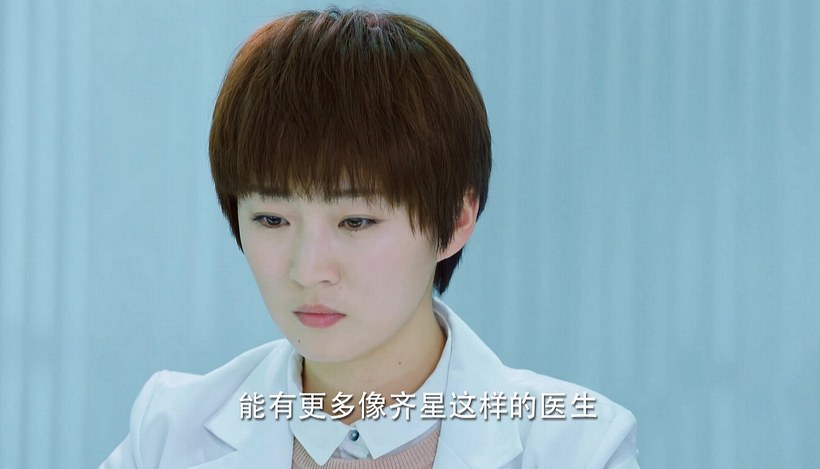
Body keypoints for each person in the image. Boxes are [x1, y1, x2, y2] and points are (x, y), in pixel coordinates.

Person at [101, 7, 638, 468]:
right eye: (271, 219)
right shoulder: (169, 433)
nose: (308, 270)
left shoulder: (577, 447)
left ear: (456, 219)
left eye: (355, 222)